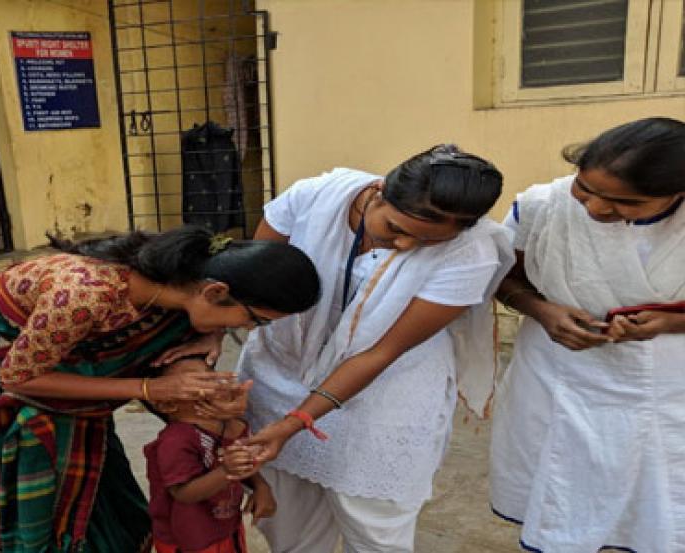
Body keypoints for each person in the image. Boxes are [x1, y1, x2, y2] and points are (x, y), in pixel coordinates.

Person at [0, 226, 321, 552]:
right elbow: (18, 378)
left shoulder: (181, 285)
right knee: (18, 503)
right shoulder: (87, 294)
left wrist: (199, 379)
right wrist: (147, 389)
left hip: (54, 368)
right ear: (216, 292)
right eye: (255, 320)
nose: (245, 331)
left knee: (105, 504)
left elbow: (167, 347)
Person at [226, 145, 513, 552]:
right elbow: (256, 289)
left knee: (376, 531)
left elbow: (379, 353)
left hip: (381, 399)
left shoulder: (471, 252)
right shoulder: (312, 197)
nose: (405, 245)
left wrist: (293, 425)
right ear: (378, 191)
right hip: (278, 375)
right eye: (395, 227)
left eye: (428, 242)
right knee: (290, 531)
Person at [489, 117, 685, 553]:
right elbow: (504, 278)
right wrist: (542, 311)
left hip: (670, 387)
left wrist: (672, 322)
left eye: (625, 202)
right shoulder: (542, 206)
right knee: (565, 492)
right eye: (586, 190)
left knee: (661, 502)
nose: (596, 209)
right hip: (561, 375)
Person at [144, 357, 275, 553]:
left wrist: (260, 486)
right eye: (196, 381)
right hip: (188, 540)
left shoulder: (227, 425)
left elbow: (241, 459)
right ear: (167, 406)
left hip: (225, 527)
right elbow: (183, 493)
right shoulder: (176, 441)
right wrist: (226, 471)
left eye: (210, 374)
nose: (214, 383)